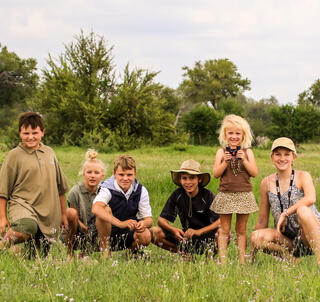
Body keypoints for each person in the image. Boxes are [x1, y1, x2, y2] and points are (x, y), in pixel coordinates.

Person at [0, 112, 68, 255]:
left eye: (35, 132)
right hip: (23, 205)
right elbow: (3, 191)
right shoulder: (14, 155)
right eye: (26, 133)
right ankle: (2, 246)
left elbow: (61, 188)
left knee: (37, 256)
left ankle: (15, 251)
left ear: (42, 132)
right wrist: (2, 218)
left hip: (47, 214)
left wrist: (63, 215)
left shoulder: (50, 153)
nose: (30, 137)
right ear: (20, 133)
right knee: (26, 226)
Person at [251, 137, 320, 264]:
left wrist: (285, 213)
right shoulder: (266, 183)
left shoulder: (303, 176)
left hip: (311, 235)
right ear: (272, 157)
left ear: (293, 157)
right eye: (278, 154)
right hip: (288, 240)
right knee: (256, 236)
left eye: (287, 154)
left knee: (303, 210)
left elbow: (311, 198)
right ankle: (292, 259)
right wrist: (251, 253)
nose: (282, 158)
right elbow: (262, 220)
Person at [210, 114, 258, 264]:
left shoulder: (248, 152)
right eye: (230, 133)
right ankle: (223, 262)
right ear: (225, 134)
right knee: (224, 230)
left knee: (241, 230)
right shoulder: (221, 152)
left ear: (243, 135)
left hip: (244, 194)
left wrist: (243, 159)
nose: (234, 136)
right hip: (226, 194)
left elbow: (254, 173)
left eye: (238, 133)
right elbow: (216, 174)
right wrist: (225, 161)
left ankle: (242, 260)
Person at [151, 159, 220, 256]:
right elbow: (161, 220)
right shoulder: (177, 194)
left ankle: (208, 256)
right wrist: (173, 230)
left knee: (224, 234)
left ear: (199, 179)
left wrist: (199, 232)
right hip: (186, 237)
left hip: (206, 236)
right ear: (180, 179)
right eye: (184, 178)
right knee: (155, 232)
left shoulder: (207, 195)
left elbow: (220, 221)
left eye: (192, 178)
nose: (188, 182)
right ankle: (185, 254)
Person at [92, 155, 152, 258]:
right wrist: (120, 223)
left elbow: (149, 220)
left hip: (128, 231)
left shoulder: (140, 190)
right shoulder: (107, 188)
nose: (125, 178)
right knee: (104, 209)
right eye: (121, 175)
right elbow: (96, 208)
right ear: (114, 174)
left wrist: (143, 223)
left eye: (129, 175)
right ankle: (105, 252)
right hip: (105, 232)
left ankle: (131, 253)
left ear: (135, 174)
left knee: (146, 235)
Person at [66, 149, 105, 259]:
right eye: (89, 172)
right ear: (83, 174)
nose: (92, 176)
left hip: (97, 230)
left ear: (102, 175)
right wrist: (81, 225)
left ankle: (101, 252)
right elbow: (72, 215)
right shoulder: (75, 192)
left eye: (96, 173)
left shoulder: (105, 191)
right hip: (78, 230)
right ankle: (70, 252)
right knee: (70, 212)